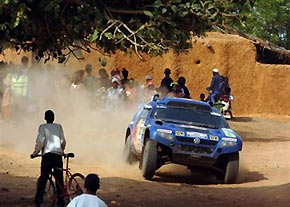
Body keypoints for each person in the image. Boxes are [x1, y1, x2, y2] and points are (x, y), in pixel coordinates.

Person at [31, 110, 66, 207]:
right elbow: (62, 141)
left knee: (43, 179)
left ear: (45, 118)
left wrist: (35, 153)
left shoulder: (43, 127)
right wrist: (62, 151)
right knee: (59, 179)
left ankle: (38, 201)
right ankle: (61, 201)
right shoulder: (59, 127)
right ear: (54, 118)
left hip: (48, 156)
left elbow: (40, 141)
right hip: (58, 155)